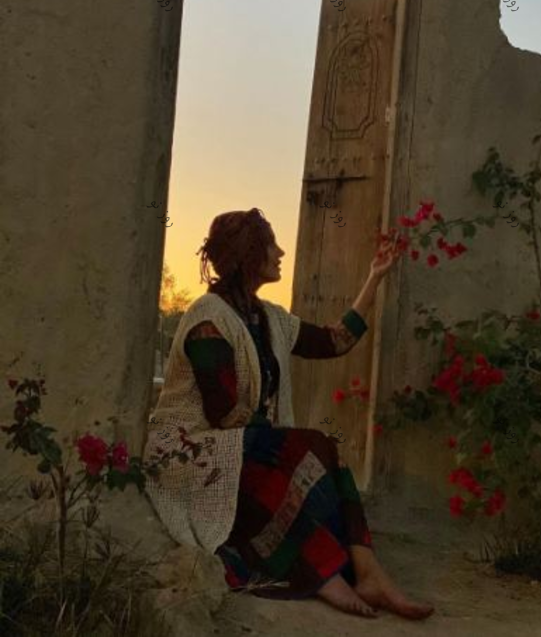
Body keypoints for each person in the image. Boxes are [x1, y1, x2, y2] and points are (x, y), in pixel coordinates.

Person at [144, 208, 434, 620]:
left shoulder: (269, 318)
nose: (280, 252)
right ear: (247, 253)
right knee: (303, 450)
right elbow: (224, 413)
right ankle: (323, 575)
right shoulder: (207, 318)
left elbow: (335, 341)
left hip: (243, 445)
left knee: (324, 451)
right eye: (271, 245)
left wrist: (374, 277)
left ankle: (368, 571)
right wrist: (291, 445)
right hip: (190, 452)